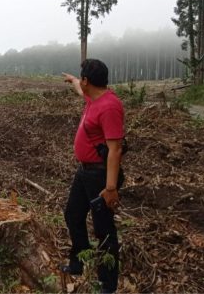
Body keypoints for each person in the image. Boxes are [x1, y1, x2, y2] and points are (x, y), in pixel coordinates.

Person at [61, 59, 125, 294]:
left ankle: (107, 285)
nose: (80, 82)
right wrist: (73, 80)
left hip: (100, 176)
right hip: (84, 171)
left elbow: (115, 149)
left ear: (90, 81)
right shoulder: (93, 96)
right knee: (73, 214)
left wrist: (110, 188)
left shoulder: (109, 107)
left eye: (82, 78)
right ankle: (79, 261)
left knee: (104, 229)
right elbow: (81, 88)